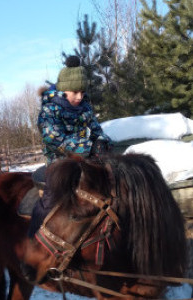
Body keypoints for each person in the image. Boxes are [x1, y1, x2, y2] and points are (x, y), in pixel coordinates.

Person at [28, 55, 112, 236]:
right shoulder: (50, 109)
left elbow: (97, 129)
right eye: (75, 92)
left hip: (84, 161)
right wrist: (88, 147)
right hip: (59, 162)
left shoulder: (85, 108)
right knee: (49, 201)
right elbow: (54, 138)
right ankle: (34, 237)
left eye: (82, 92)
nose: (80, 97)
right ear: (64, 90)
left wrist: (102, 142)